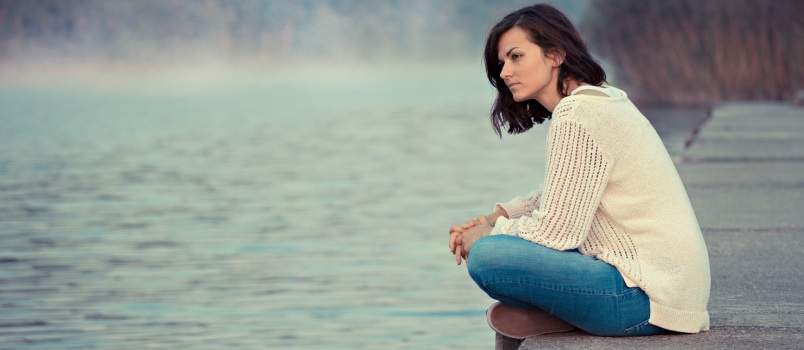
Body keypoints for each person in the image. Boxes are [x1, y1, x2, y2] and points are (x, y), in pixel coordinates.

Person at [448, 3, 711, 339]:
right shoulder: (600, 99)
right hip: (671, 292)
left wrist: (487, 235)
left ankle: (564, 311)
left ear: (555, 54)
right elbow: (565, 193)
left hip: (644, 296)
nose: (504, 73)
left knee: (488, 256)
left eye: (516, 57)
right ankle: (565, 314)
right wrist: (493, 217)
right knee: (502, 244)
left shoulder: (578, 114)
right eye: (501, 63)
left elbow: (557, 232)